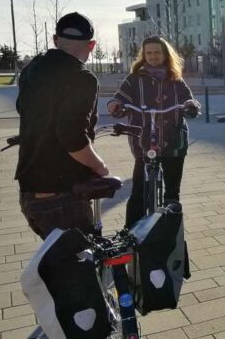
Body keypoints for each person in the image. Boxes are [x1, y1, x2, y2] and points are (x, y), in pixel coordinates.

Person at [15, 12, 107, 239]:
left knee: (57, 267)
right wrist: (99, 167)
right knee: (79, 268)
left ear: (55, 40)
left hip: (30, 191)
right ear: (92, 44)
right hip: (61, 196)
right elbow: (73, 137)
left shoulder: (32, 69)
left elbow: (23, 109)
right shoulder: (81, 77)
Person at [107, 36, 200, 228]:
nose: (153, 56)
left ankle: (172, 231)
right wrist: (115, 105)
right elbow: (119, 98)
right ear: (143, 55)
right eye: (149, 53)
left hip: (173, 139)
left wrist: (191, 106)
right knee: (139, 190)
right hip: (144, 141)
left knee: (172, 192)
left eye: (157, 52)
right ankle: (130, 235)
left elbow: (189, 100)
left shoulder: (175, 79)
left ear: (165, 54)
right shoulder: (134, 79)